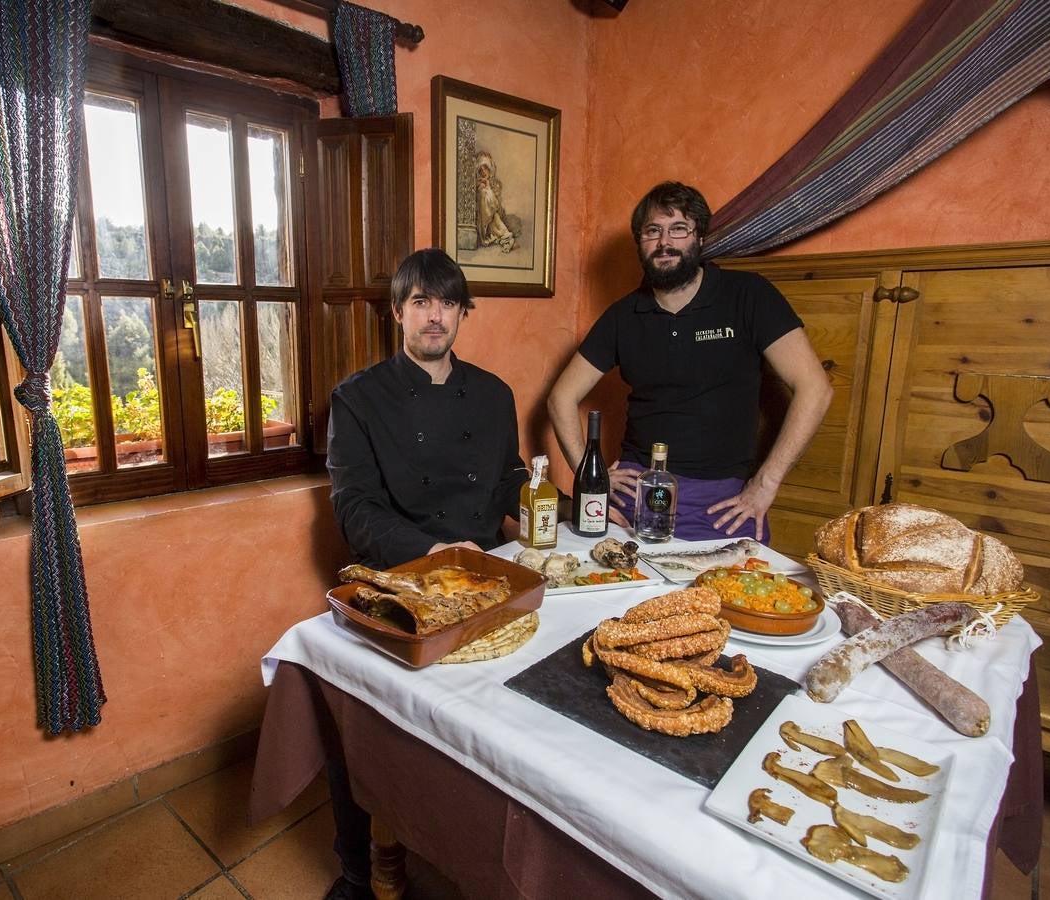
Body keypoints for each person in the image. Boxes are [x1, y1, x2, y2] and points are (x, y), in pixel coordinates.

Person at [323, 248, 526, 899]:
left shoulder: (495, 394)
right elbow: (355, 512)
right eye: (419, 302)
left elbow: (512, 479)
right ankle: (367, 865)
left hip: (488, 583)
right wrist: (436, 556)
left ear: (463, 312)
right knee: (364, 728)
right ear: (397, 313)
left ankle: (487, 852)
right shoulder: (357, 399)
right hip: (403, 583)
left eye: (446, 302)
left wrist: (525, 522)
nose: (434, 316)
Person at [547, 181, 832, 543]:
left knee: (730, 597)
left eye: (678, 229)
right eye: (653, 231)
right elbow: (561, 398)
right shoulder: (622, 315)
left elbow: (815, 389)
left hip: (722, 501)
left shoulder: (749, 295)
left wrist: (765, 483)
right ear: (641, 242)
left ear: (699, 237)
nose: (665, 242)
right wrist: (593, 475)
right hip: (635, 492)